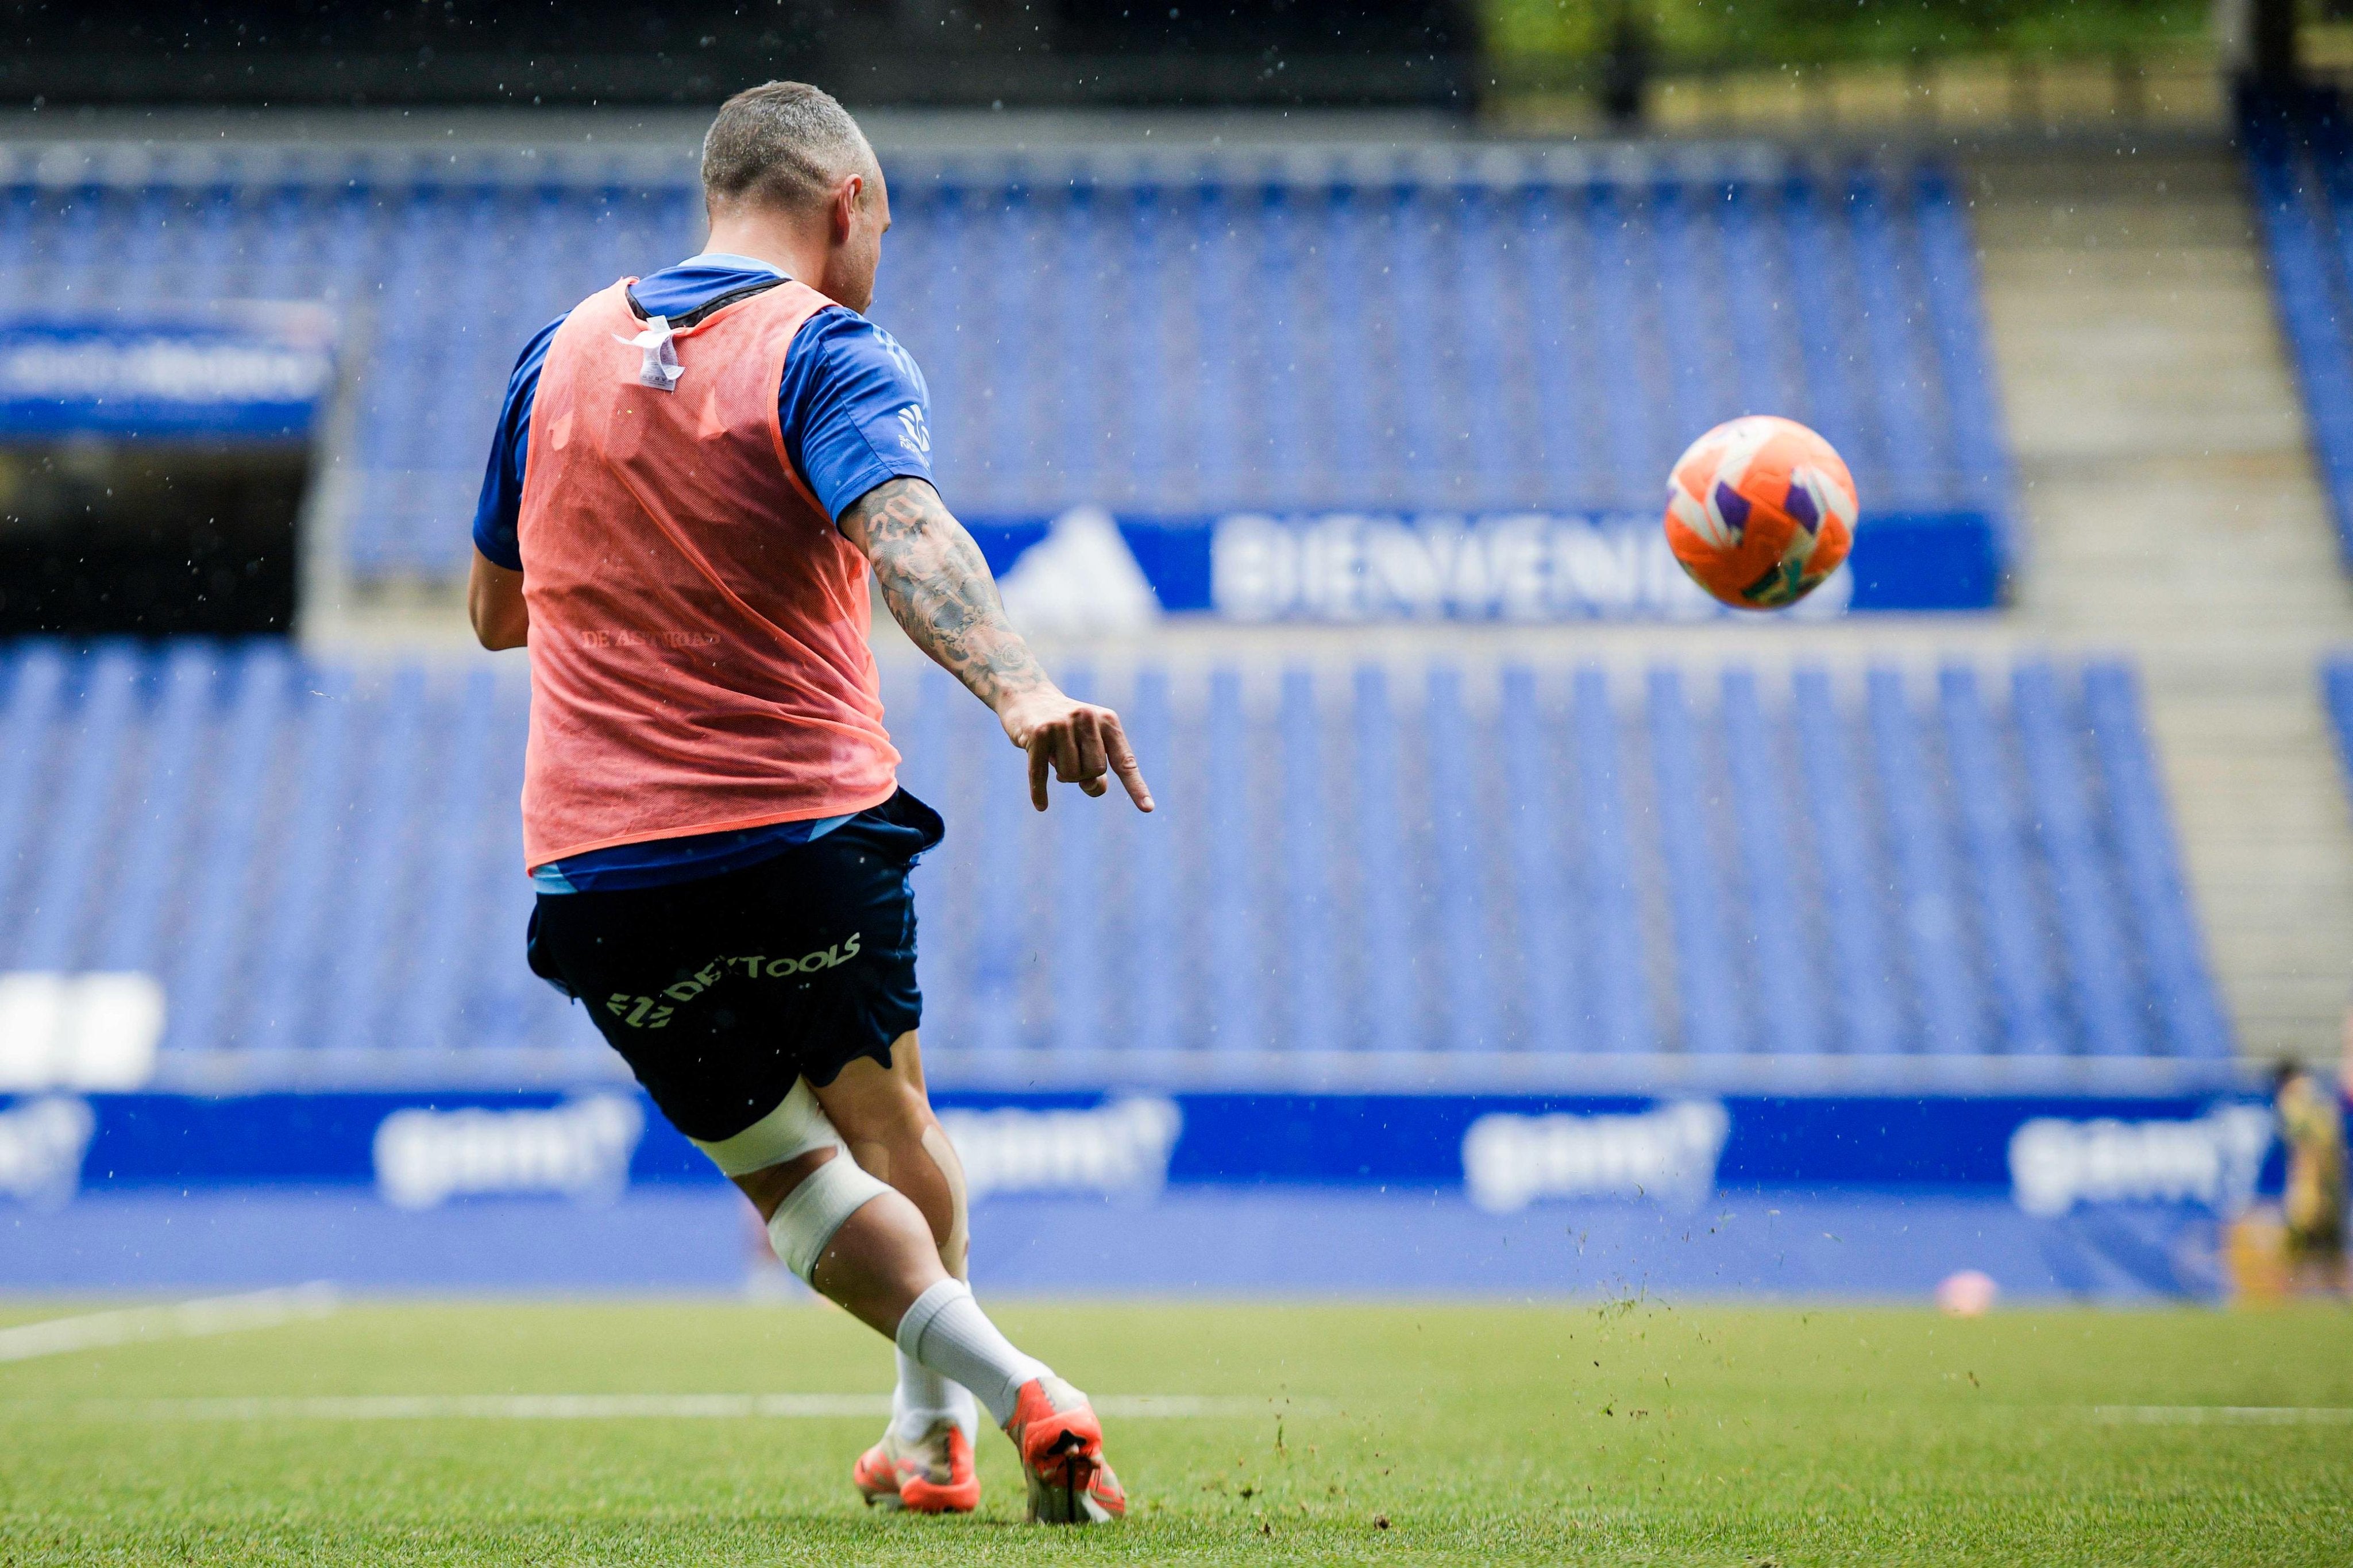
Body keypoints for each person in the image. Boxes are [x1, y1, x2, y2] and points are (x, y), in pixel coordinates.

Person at [465, 80, 1151, 1524]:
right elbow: (902, 525)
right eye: (880, 227)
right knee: (889, 1116)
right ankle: (986, 1405)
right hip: (801, 835)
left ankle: (954, 1425)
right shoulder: (827, 348)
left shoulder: (553, 353)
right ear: (848, 206)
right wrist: (1021, 688)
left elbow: (495, 613)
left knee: (788, 1177)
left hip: (602, 869)